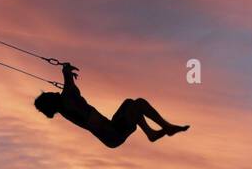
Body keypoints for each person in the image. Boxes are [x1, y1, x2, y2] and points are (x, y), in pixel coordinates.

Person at [33, 63, 188, 149]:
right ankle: (166, 127)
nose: (52, 92)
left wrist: (69, 77)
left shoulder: (66, 105)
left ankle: (150, 133)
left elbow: (69, 86)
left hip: (111, 131)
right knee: (138, 103)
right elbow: (67, 81)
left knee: (130, 103)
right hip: (112, 133)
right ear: (50, 102)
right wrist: (66, 70)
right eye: (49, 95)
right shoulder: (65, 101)